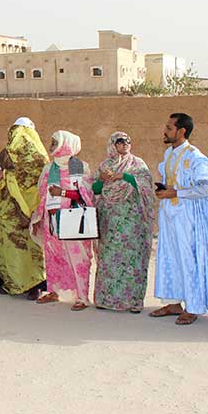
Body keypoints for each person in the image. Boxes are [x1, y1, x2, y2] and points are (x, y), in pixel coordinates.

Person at [150, 113, 208, 325]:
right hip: (170, 217)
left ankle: (193, 307)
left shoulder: (195, 157)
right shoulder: (169, 154)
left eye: (169, 127)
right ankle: (173, 302)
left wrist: (177, 193)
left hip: (188, 219)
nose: (165, 131)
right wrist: (166, 191)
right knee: (169, 258)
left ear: (182, 131)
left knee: (188, 259)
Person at [92, 132, 155, 313]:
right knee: (109, 260)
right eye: (120, 141)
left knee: (132, 260)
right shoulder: (105, 166)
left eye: (128, 141)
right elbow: (95, 190)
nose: (125, 144)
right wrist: (101, 180)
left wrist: (124, 177)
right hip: (110, 222)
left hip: (132, 223)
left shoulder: (137, 164)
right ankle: (106, 300)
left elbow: (146, 186)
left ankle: (133, 302)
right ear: (113, 144)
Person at [31, 131, 95, 311]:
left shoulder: (79, 167)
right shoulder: (49, 168)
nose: (51, 145)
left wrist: (63, 193)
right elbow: (42, 192)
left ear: (65, 144)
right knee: (53, 257)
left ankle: (82, 297)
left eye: (55, 142)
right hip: (52, 219)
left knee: (78, 258)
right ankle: (53, 291)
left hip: (74, 220)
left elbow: (85, 195)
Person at [0, 118, 49, 299]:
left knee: (31, 245)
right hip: (9, 210)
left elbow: (38, 181)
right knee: (12, 248)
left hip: (27, 210)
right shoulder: (6, 153)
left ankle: (36, 285)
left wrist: (6, 175)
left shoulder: (37, 154)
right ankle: (15, 284)